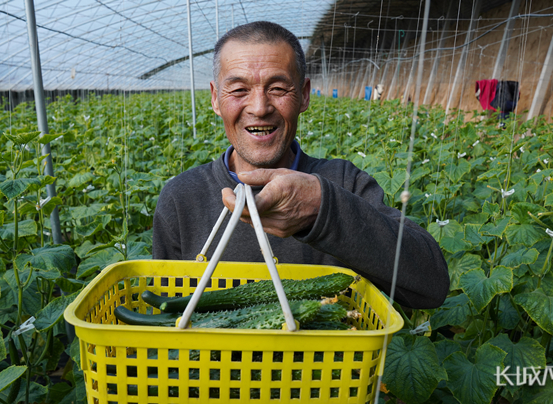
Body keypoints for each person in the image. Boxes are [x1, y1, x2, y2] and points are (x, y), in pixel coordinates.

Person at [151, 21, 449, 309]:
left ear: (304, 95)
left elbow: (431, 286)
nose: (259, 107)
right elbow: (165, 310)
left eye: (278, 88)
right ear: (216, 99)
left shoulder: (344, 182)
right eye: (239, 89)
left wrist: (323, 208)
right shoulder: (181, 199)